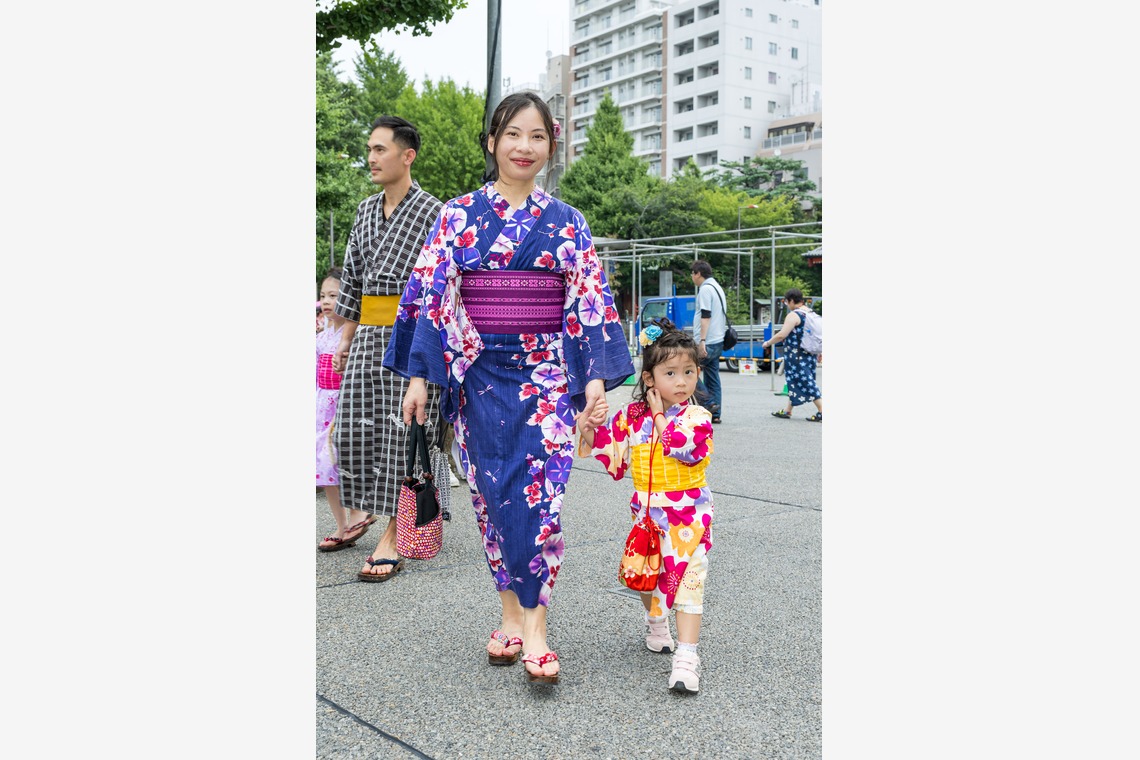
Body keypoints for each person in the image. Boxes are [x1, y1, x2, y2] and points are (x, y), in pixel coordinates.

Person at [384, 92, 634, 684]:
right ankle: (508, 618)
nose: (525, 147)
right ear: (491, 142)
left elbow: (590, 301)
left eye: (538, 137)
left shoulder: (568, 221)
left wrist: (594, 378)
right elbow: (429, 295)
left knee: (538, 499)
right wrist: (420, 376)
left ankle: (538, 629)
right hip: (480, 375)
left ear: (551, 145)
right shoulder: (459, 214)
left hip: (547, 375)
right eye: (513, 134)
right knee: (492, 495)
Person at [330, 115, 445, 580]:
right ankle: (368, 511)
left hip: (414, 336)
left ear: (407, 155)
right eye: (370, 149)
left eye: (380, 149)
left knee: (406, 434)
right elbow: (353, 280)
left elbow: (440, 287)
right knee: (353, 431)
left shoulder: (435, 212)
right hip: (367, 338)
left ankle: (397, 534)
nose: (372, 158)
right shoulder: (363, 211)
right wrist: (344, 338)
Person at [577, 318, 714, 694]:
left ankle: (687, 656)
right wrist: (588, 427)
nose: (682, 381)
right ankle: (657, 623)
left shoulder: (698, 417)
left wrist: (656, 417)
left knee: (689, 579)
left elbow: (684, 448)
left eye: (689, 372)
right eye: (671, 373)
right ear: (650, 378)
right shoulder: (631, 416)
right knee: (646, 572)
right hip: (646, 513)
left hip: (688, 515)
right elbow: (617, 461)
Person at [315, 269, 372, 551]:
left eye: (334, 296)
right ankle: (342, 524)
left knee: (341, 460)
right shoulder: (321, 333)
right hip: (321, 407)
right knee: (324, 469)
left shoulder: (356, 334)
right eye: (323, 296)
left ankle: (358, 515)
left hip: (344, 405)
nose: (326, 301)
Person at [762, 288, 823, 421]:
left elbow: (782, 334)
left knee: (806, 382)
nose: (787, 305)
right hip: (809, 354)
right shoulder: (810, 313)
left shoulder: (794, 315)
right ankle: (788, 411)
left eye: (787, 302)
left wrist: (768, 343)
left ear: (790, 301)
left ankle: (822, 410)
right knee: (795, 381)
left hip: (797, 356)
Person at [690, 260, 727, 424]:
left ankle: (708, 403)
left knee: (689, 373)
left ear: (698, 273)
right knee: (713, 377)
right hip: (718, 339)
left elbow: (706, 315)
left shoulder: (705, 289)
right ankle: (716, 413)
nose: (692, 277)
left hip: (708, 340)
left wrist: (702, 341)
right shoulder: (717, 287)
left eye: (692, 273)